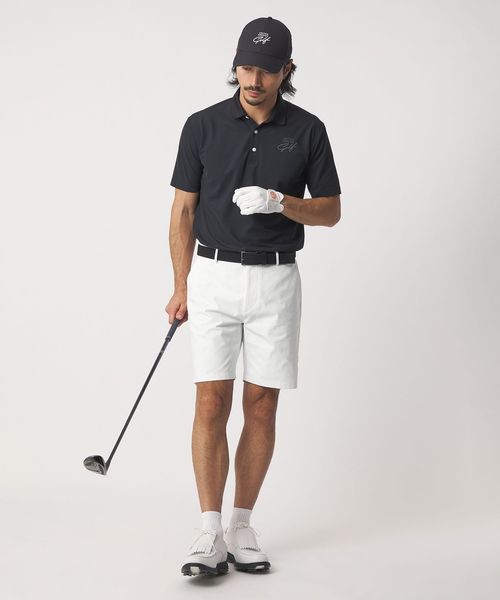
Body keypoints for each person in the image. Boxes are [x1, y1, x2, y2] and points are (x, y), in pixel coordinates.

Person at [165, 16, 342, 577]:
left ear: (287, 70)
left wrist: (280, 201)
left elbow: (331, 211)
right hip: (212, 276)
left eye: (266, 70)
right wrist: (180, 286)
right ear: (235, 65)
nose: (254, 80)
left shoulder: (308, 130)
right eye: (245, 67)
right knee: (210, 401)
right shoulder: (202, 125)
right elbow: (183, 211)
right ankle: (209, 531)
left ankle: (241, 525)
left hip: (275, 279)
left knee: (262, 403)